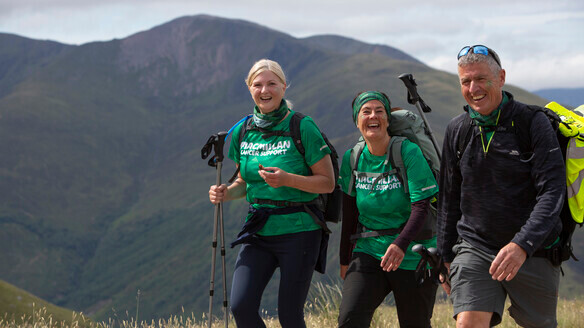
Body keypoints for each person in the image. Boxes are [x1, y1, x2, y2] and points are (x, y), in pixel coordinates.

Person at [437, 45, 565, 328]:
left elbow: (553, 192)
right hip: (475, 246)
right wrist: (445, 257)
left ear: (501, 77)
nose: (473, 88)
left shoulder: (533, 123)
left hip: (534, 249)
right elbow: (449, 197)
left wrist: (522, 244)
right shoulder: (457, 130)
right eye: (466, 81)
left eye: (481, 79)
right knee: (468, 323)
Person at [208, 58, 335, 328]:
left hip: (299, 230)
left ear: (284, 87)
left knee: (289, 315)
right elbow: (244, 180)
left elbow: (327, 183)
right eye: (257, 85)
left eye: (271, 84)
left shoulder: (302, 126)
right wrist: (225, 193)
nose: (264, 90)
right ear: (249, 89)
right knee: (241, 307)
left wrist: (288, 180)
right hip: (259, 230)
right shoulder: (243, 130)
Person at [337, 91, 439, 327]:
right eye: (366, 111)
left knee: (415, 323)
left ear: (387, 119)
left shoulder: (407, 152)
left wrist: (400, 244)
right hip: (369, 251)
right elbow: (350, 213)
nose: (373, 116)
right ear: (357, 119)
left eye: (379, 111)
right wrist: (345, 260)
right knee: (349, 319)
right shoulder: (353, 158)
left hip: (414, 253)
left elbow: (421, 205)